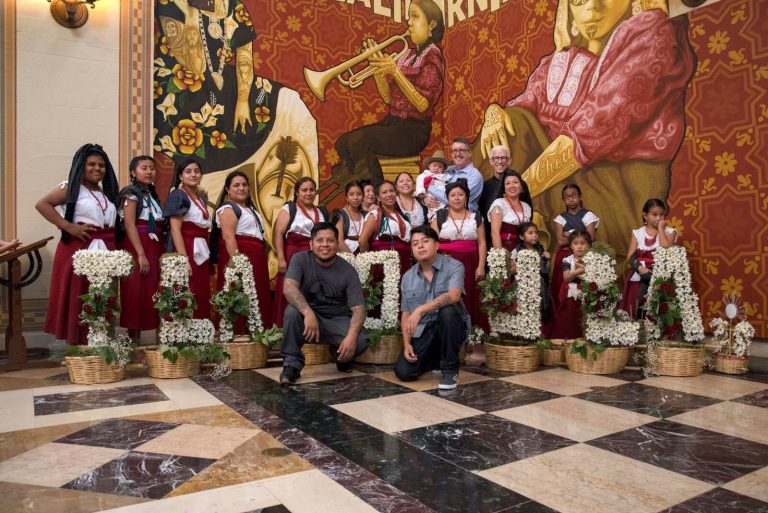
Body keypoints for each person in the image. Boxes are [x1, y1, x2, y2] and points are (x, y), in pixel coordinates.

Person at [474, 0, 695, 267]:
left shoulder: (652, 35)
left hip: (616, 183)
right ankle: (485, 228)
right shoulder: (561, 60)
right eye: (579, 2)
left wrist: (516, 196)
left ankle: (519, 238)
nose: (592, 10)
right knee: (513, 123)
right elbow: (523, 107)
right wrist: (494, 114)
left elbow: (591, 130)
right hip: (557, 171)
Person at [328, 0, 445, 194]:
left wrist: (395, 73)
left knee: (359, 141)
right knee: (342, 142)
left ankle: (376, 191)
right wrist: (377, 69)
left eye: (415, 16)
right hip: (393, 122)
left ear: (431, 25)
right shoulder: (407, 54)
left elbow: (423, 104)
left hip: (413, 130)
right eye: (409, 16)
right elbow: (389, 99)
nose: (409, 22)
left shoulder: (433, 56)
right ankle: (357, 181)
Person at [35, 143, 119, 344]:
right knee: (79, 298)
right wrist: (67, 226)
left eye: (101, 165)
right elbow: (42, 204)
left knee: (102, 297)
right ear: (81, 165)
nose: (97, 168)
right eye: (91, 164)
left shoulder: (105, 193)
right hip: (79, 249)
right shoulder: (70, 187)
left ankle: (100, 344)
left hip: (104, 251)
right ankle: (78, 349)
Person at [279, 222, 369, 384]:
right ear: (311, 243)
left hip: (336, 318)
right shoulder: (300, 259)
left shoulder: (348, 270)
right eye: (320, 240)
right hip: (308, 316)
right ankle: (292, 364)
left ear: (337, 244)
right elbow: (289, 288)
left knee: (361, 341)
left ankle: (339, 354)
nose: (325, 245)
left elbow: (359, 308)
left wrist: (352, 336)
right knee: (292, 312)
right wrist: (307, 312)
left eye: (330, 240)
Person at [395, 226, 468, 390]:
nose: (420, 246)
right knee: (404, 373)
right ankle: (435, 358)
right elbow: (406, 313)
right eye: (415, 243)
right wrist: (406, 344)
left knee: (447, 311)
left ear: (437, 244)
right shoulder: (408, 277)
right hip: (425, 330)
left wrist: (420, 309)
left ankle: (450, 370)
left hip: (452, 326)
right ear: (412, 250)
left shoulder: (454, 266)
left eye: (425, 241)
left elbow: (454, 295)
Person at [211, 171, 272, 329]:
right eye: (236, 185)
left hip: (256, 256)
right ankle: (237, 336)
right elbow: (229, 237)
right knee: (238, 293)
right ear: (227, 189)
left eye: (244, 185)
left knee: (258, 294)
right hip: (240, 254)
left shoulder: (251, 209)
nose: (241, 188)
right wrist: (238, 264)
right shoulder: (228, 208)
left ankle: (259, 335)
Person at [117, 156, 164, 339]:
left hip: (154, 243)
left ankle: (157, 339)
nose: (149, 171)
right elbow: (129, 224)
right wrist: (140, 254)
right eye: (144, 168)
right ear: (133, 172)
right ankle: (133, 340)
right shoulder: (130, 193)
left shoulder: (152, 194)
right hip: (138, 244)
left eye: (152, 168)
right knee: (135, 288)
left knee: (153, 288)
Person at [430, 180, 486, 329]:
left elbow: (481, 243)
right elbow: (432, 243)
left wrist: (481, 266)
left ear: (466, 197)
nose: (456, 198)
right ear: (448, 198)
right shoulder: (440, 216)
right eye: (452, 195)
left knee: (470, 297)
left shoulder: (476, 217)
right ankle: (450, 331)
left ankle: (471, 334)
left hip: (471, 261)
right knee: (449, 296)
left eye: (460, 194)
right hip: (446, 262)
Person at [272, 177, 328, 327]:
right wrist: (281, 258)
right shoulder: (290, 209)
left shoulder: (321, 211)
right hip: (293, 255)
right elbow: (278, 234)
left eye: (311, 190)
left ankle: (311, 328)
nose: (308, 193)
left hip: (316, 257)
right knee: (292, 290)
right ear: (297, 192)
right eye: (304, 190)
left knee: (313, 291)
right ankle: (287, 328)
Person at [164, 158, 212, 319]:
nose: (193, 175)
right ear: (180, 176)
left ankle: (201, 331)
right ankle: (187, 333)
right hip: (187, 246)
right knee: (188, 287)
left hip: (201, 246)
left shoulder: (199, 197)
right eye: (188, 171)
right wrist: (183, 259)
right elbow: (176, 230)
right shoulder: (179, 195)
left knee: (201, 288)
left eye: (197, 171)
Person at [619, 198, 677, 319]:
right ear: (645, 215)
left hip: (658, 276)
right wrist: (640, 268)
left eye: (662, 214)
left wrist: (661, 229)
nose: (659, 218)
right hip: (639, 274)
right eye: (654, 214)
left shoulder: (670, 232)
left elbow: (665, 249)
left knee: (656, 307)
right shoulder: (638, 233)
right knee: (637, 305)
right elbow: (630, 256)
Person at [550, 184, 600, 309]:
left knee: (584, 287)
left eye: (574, 196)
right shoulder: (560, 218)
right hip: (564, 254)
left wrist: (569, 233)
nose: (571, 199)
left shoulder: (589, 215)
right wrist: (580, 233)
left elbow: (591, 238)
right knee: (560, 286)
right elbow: (560, 241)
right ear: (563, 200)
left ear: (580, 196)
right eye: (567, 197)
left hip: (583, 254)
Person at [358, 180, 412, 277]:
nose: (389, 194)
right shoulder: (374, 215)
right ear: (378, 197)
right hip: (382, 265)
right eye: (384, 192)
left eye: (391, 191)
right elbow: (362, 241)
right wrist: (369, 264)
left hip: (404, 263)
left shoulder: (402, 216)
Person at [424, 137, 483, 212]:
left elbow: (456, 201)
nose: (457, 154)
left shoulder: (475, 176)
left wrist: (431, 188)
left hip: (463, 220)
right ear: (451, 154)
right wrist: (425, 199)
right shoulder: (447, 170)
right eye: (454, 150)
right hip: (438, 216)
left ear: (469, 153)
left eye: (461, 150)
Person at [551, 230, 591, 339]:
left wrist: (575, 272)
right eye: (575, 243)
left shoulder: (592, 259)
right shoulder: (567, 260)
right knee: (570, 316)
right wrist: (579, 271)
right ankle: (569, 339)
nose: (579, 247)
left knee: (585, 315)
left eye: (583, 243)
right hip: (570, 291)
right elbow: (567, 277)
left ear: (588, 245)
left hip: (588, 290)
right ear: (571, 246)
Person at [513, 222, 551, 323]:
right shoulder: (517, 250)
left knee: (540, 305)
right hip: (524, 285)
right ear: (521, 236)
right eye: (530, 233)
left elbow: (546, 269)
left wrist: (547, 260)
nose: (534, 235)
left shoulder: (540, 249)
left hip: (540, 284)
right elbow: (512, 268)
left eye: (536, 233)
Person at [478, 145, 513, 250]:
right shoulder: (485, 186)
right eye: (496, 158)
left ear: (509, 161)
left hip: (515, 239)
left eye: (503, 158)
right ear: (491, 161)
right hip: (490, 237)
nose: (500, 161)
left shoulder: (518, 184)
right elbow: (482, 213)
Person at [488, 170, 533, 251]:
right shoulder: (499, 204)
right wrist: (503, 258)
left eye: (515, 182)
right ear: (504, 188)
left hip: (523, 252)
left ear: (521, 186)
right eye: (508, 183)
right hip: (504, 251)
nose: (512, 186)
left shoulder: (526, 207)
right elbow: (495, 233)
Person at [332, 181, 366, 254]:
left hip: (362, 255)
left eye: (359, 194)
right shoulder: (341, 214)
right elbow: (339, 240)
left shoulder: (365, 215)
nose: (355, 198)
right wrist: (351, 258)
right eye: (351, 194)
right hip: (345, 254)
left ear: (363, 196)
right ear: (346, 197)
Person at [415, 150, 450, 221]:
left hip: (443, 198)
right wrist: (421, 193)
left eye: (440, 167)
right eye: (434, 165)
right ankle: (433, 216)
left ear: (443, 169)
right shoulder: (425, 175)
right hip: (430, 198)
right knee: (433, 207)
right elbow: (420, 183)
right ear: (429, 166)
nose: (437, 168)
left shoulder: (446, 177)